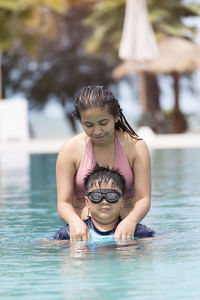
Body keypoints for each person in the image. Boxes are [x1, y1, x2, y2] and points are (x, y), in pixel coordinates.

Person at [56, 85, 151, 241]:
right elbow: (63, 203)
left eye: (103, 122)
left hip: (125, 228)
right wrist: (74, 222)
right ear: (81, 122)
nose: (97, 131)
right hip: (83, 229)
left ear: (115, 116)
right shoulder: (70, 150)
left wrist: (131, 221)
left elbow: (144, 198)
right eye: (89, 125)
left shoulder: (135, 146)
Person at [53, 166, 155, 241]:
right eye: (96, 196)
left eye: (112, 196)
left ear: (122, 202)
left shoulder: (134, 230)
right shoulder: (72, 232)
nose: (104, 201)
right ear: (87, 202)